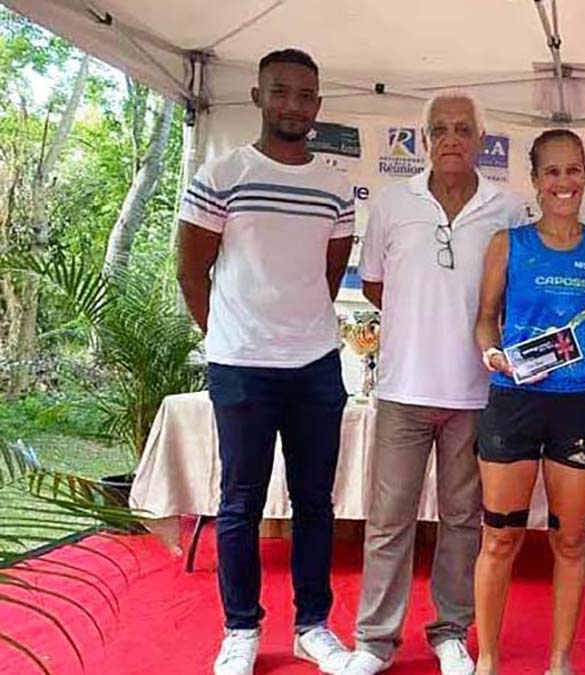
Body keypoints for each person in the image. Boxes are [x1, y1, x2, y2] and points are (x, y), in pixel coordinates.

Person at [176, 48, 355, 675]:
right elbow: (190, 269)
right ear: (257, 96)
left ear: (318, 107)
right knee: (240, 501)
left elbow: (327, 277)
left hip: (316, 366)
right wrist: (230, 336)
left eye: (305, 96)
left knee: (314, 502)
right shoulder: (221, 174)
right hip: (240, 366)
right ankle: (241, 629)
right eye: (280, 92)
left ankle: (313, 625)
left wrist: (291, 329)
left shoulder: (336, 188)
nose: (293, 106)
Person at [341, 92, 524, 675]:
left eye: (463, 129)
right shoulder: (394, 203)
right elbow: (374, 285)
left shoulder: (508, 209)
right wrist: (421, 318)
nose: (451, 138)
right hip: (401, 392)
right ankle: (374, 641)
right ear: (423, 140)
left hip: (475, 394)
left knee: (463, 520)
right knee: (388, 520)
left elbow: (510, 297)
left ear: (480, 140)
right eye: (439, 129)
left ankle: (450, 631)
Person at [472, 129, 585, 675]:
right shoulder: (509, 244)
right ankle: (487, 658)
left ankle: (559, 661)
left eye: (573, 170)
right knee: (500, 537)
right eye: (552, 172)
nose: (564, 182)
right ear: (534, 181)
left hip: (576, 404)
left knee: (571, 541)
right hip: (514, 401)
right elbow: (486, 318)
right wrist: (489, 351)